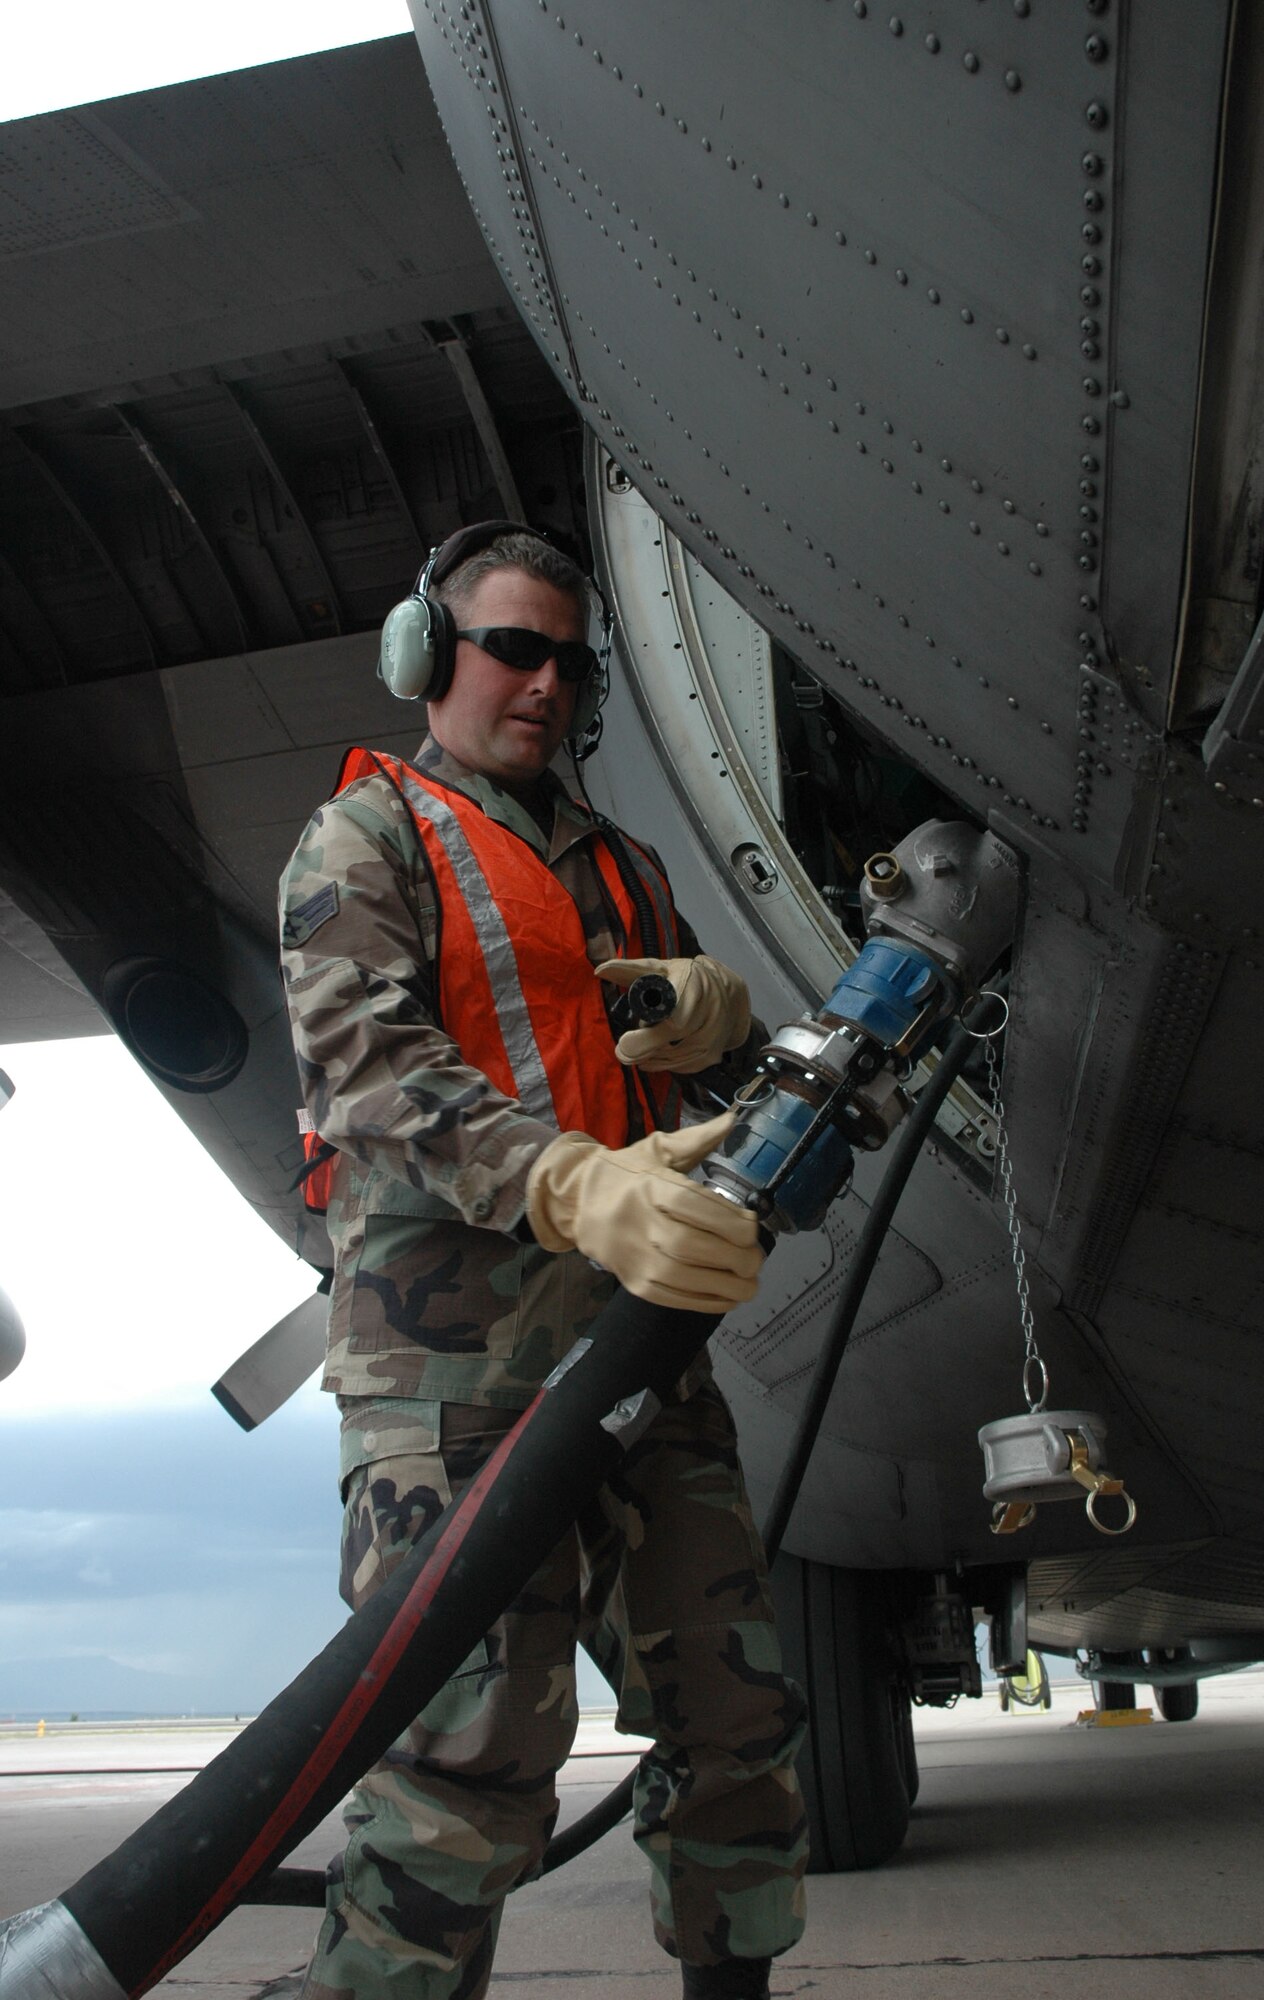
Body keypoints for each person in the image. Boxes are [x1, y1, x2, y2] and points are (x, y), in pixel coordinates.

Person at [279, 524, 808, 2000]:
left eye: (570, 661)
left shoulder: (621, 867)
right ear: (427, 656)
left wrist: (730, 1031)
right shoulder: (363, 840)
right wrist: (570, 1179)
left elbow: (715, 1112)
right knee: (470, 1760)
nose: (547, 683)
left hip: (637, 1353)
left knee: (736, 1719)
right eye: (515, 648)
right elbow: (369, 1074)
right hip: (449, 1376)